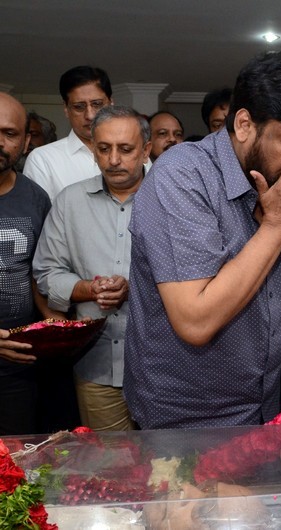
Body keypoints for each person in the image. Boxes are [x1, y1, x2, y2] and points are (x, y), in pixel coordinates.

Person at [124, 51, 281, 430]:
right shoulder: (182, 175)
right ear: (244, 125)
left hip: (262, 405)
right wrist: (277, 226)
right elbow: (195, 320)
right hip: (182, 420)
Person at [33, 105, 151, 431]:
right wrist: (90, 288)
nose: (113, 159)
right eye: (103, 149)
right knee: (112, 470)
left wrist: (131, 287)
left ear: (146, 151)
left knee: (170, 468)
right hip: (97, 367)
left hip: (163, 369)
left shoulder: (170, 198)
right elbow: (46, 273)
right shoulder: (70, 202)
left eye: (125, 149)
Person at [0, 93, 63, 435]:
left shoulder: (35, 198)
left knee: (16, 464)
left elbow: (41, 274)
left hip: (19, 367)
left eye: (9, 133)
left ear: (26, 143)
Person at [23, 66, 113, 199]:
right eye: (79, 107)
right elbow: (40, 217)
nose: (90, 115)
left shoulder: (136, 153)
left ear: (111, 104)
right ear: (66, 109)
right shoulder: (43, 160)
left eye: (97, 104)